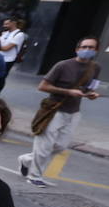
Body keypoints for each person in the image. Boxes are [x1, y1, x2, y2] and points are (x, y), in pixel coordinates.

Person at [19, 37, 102, 188]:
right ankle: (34, 176)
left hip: (74, 112)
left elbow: (90, 87)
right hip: (53, 110)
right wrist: (68, 91)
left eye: (91, 48)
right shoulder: (63, 65)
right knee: (44, 146)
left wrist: (92, 94)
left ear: (96, 51)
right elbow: (42, 86)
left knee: (60, 146)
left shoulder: (95, 67)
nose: (87, 50)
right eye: (85, 47)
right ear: (77, 49)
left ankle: (26, 160)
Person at [0, 18, 25, 96]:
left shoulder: (19, 34)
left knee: (1, 77)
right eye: (4, 24)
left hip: (8, 59)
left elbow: (6, 48)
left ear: (13, 23)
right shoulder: (4, 33)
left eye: (6, 24)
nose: (4, 26)